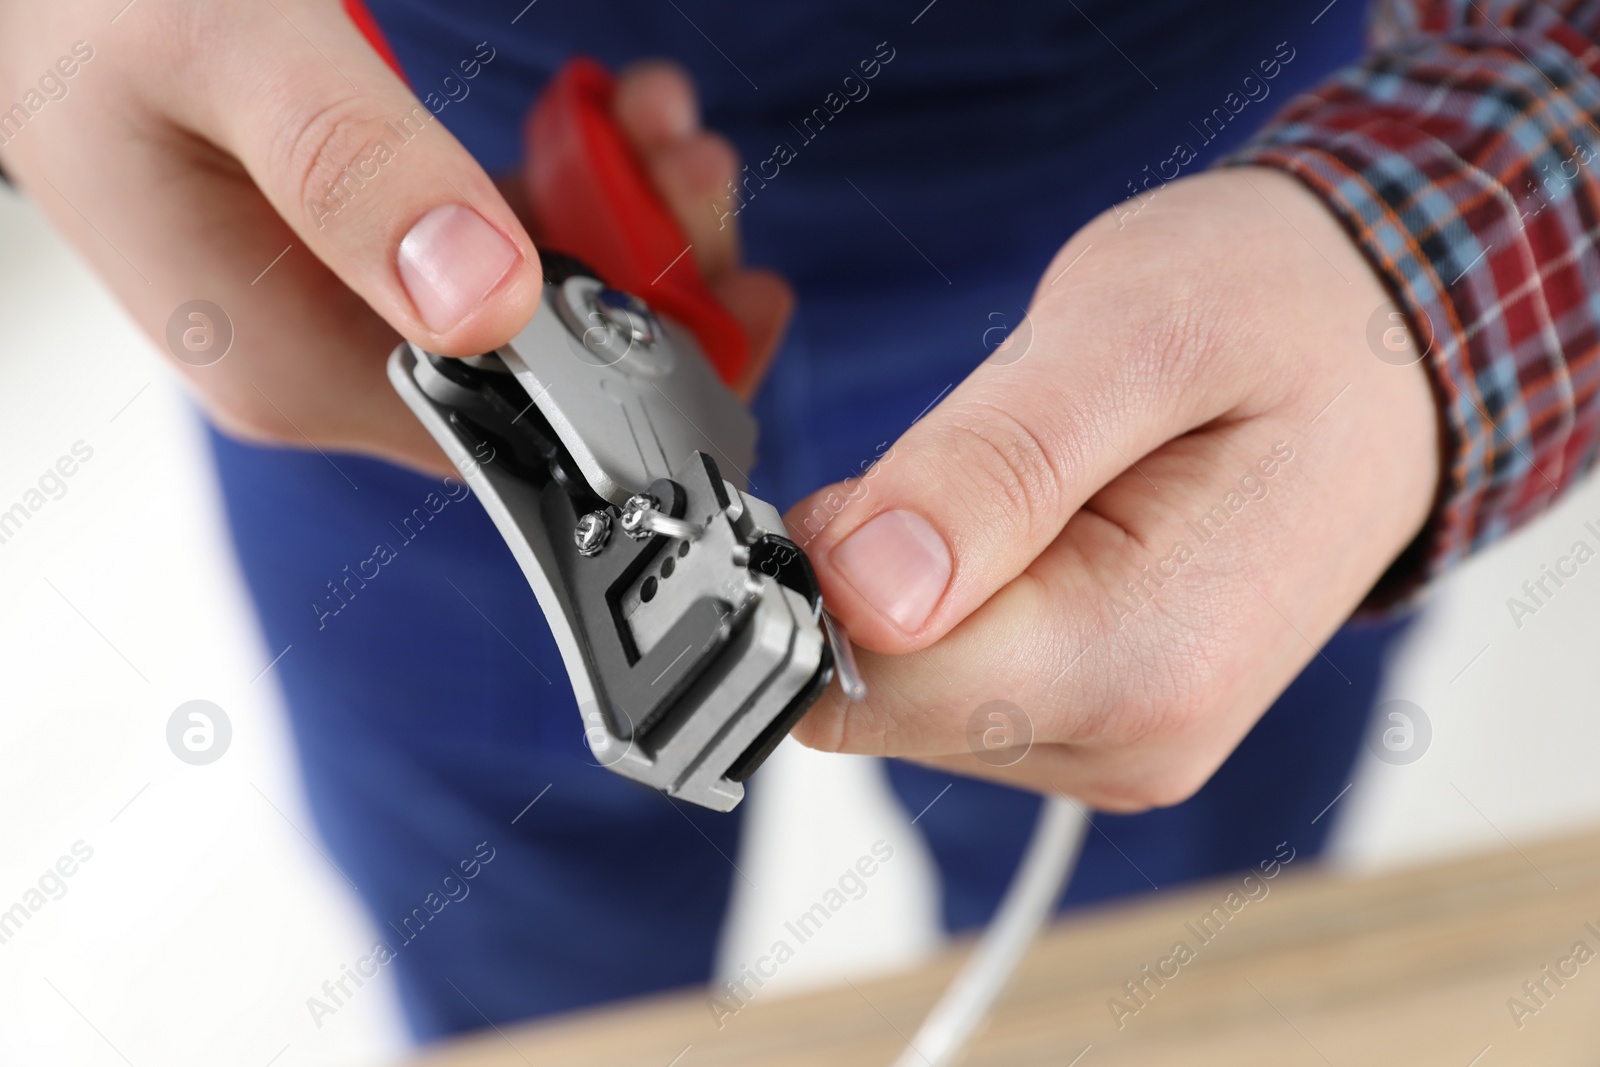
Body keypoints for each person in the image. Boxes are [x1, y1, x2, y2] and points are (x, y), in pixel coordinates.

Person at [1, 0, 1593, 1041]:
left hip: (1224, 230)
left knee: (1138, 984)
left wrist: (1452, 242)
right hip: (373, 206)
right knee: (514, 977)